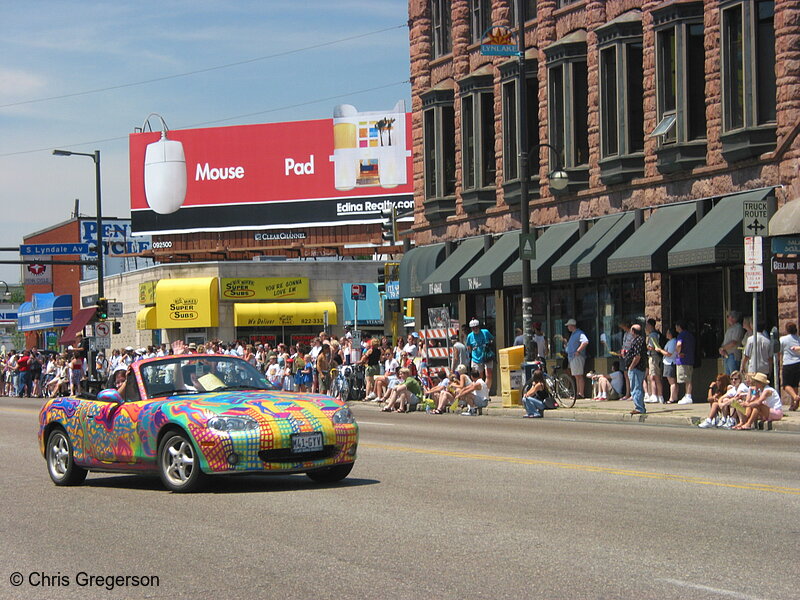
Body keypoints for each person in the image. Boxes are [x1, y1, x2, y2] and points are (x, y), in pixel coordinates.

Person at [466, 319, 495, 393]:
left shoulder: (485, 332)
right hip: (476, 358)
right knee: (478, 377)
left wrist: (488, 346)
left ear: (479, 326)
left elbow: (492, 339)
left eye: (476, 327)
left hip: (487, 357)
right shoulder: (470, 336)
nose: (475, 329)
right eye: (473, 328)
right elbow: (469, 347)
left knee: (489, 375)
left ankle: (486, 392)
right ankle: (480, 392)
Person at [626, 324, 648, 415]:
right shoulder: (638, 340)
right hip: (638, 367)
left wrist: (631, 366)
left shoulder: (638, 340)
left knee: (636, 387)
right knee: (636, 387)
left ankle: (639, 408)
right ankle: (640, 407)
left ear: (633, 331)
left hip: (637, 368)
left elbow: (637, 356)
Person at [565, 319, 589, 399]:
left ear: (572, 325)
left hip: (577, 357)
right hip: (572, 357)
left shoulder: (579, 333)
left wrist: (578, 351)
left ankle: (581, 393)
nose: (568, 327)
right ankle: (577, 393)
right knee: (576, 376)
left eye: (568, 325)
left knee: (579, 375)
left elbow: (585, 341)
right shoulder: (573, 334)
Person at [779, 322, 800, 411]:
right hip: (798, 362)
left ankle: (795, 397)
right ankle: (794, 404)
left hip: (788, 363)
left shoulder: (783, 339)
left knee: (786, 385)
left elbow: (779, 351)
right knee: (794, 384)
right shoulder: (798, 339)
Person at [674, 320, 696, 404]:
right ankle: (687, 395)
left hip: (683, 360)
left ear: (679, 326)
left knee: (687, 379)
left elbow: (679, 344)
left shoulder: (681, 335)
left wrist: (678, 352)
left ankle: (688, 396)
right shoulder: (690, 335)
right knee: (688, 378)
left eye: (676, 326)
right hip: (690, 359)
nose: (676, 328)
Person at [644, 319, 664, 403]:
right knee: (653, 376)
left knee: (655, 376)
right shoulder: (655, 334)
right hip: (654, 356)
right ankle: (656, 395)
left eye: (647, 325)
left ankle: (656, 395)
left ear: (650, 325)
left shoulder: (652, 335)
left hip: (653, 356)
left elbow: (652, 347)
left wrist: (645, 346)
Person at [660, 328, 679, 403]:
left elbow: (669, 353)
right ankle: (675, 397)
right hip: (669, 362)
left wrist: (660, 350)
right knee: (673, 381)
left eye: (668, 333)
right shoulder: (671, 341)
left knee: (672, 382)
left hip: (670, 362)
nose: (666, 334)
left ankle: (672, 398)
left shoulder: (672, 342)